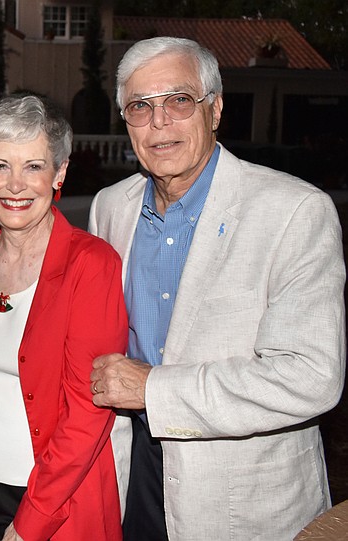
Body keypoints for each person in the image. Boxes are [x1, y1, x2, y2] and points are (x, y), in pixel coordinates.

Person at [88, 36, 346, 541]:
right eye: (140, 106)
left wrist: (154, 390)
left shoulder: (294, 211)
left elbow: (311, 376)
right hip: (133, 476)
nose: (159, 122)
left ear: (216, 110)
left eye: (179, 100)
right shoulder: (110, 208)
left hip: (242, 500)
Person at [0, 94, 128, 541]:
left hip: (47, 499)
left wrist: (31, 519)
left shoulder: (91, 265)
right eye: (1, 166)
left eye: (33, 166)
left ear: (60, 173)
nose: (15, 185)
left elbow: (88, 412)